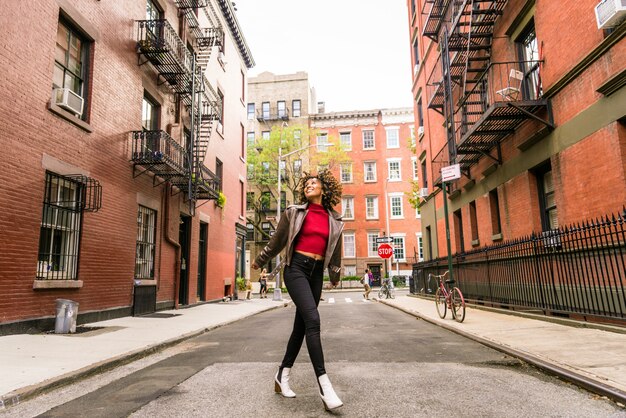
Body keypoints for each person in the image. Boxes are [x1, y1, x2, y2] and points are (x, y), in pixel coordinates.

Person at [251, 170, 344, 411]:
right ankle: (325, 386)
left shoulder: (335, 219)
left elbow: (335, 251)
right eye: (306, 184)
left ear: (324, 189)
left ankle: (282, 374)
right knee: (313, 320)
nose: (309, 186)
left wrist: (334, 275)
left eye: (314, 183)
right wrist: (261, 260)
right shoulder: (294, 212)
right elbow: (277, 241)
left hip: (316, 274)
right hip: (296, 269)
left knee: (301, 327)